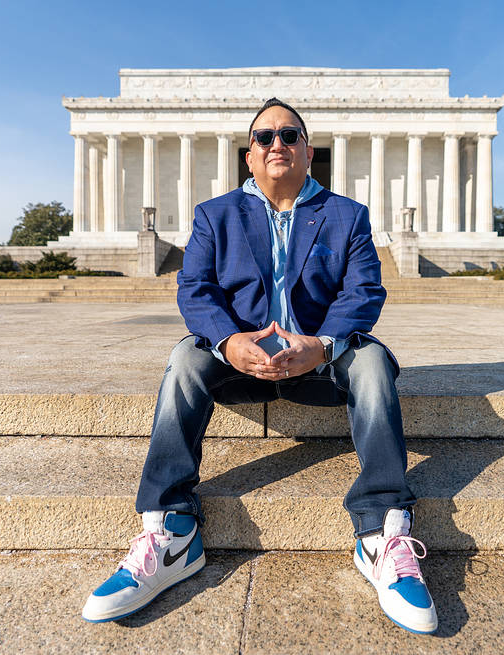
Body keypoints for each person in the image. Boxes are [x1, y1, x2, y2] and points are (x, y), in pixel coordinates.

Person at [81, 98, 437, 634]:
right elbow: (195, 288)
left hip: (319, 360)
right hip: (237, 360)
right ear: (249, 156)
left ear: (308, 152)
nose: (277, 144)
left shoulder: (347, 215)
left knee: (372, 362)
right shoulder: (215, 214)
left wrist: (320, 345)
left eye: (289, 136)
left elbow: (364, 291)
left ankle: (381, 529)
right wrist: (228, 341)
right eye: (264, 137)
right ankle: (170, 529)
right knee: (184, 357)